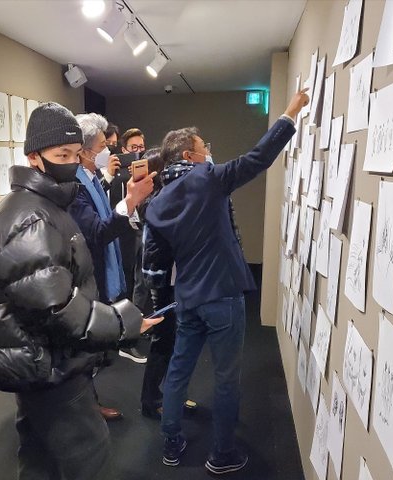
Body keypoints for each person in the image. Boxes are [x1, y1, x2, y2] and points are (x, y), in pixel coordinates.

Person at [0, 102, 161, 480]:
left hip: (35, 360)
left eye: (74, 154)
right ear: (34, 157)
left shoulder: (36, 206)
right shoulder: (33, 218)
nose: (70, 163)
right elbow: (57, 308)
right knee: (89, 457)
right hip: (49, 364)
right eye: (60, 155)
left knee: (39, 458)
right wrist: (126, 322)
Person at [142, 89, 309, 474]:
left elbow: (157, 260)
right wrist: (289, 113)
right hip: (222, 296)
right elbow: (257, 159)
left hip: (187, 298)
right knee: (226, 379)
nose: (209, 152)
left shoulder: (158, 202)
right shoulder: (208, 178)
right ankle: (222, 454)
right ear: (190, 155)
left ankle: (171, 444)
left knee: (178, 372)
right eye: (205, 147)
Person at [69, 113, 155, 418]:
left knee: (90, 350)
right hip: (85, 275)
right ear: (84, 151)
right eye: (102, 146)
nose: (108, 151)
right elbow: (97, 233)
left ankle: (88, 405)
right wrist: (130, 201)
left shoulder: (91, 178)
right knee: (83, 348)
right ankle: (83, 409)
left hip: (97, 272)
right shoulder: (75, 186)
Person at [138, 148, 197, 420]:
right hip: (164, 281)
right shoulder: (155, 202)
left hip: (174, 278)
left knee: (175, 341)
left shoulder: (161, 199)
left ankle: (170, 395)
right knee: (164, 341)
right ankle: (151, 401)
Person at [107, 127, 150, 363]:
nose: (138, 152)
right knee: (127, 282)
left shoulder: (149, 173)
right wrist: (114, 176)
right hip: (122, 236)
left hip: (143, 232)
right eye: (133, 148)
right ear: (123, 150)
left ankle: (137, 327)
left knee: (141, 282)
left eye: (141, 147)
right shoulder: (114, 176)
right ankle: (124, 338)